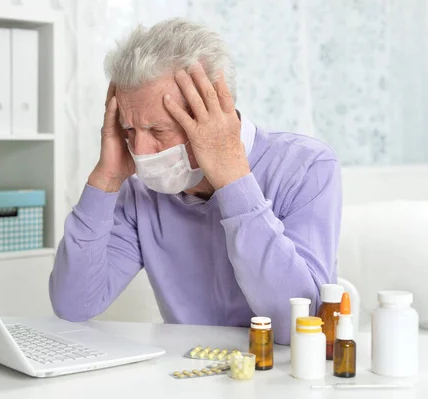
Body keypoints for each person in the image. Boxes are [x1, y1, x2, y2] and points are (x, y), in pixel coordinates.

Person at [49, 17, 341, 345]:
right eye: (130, 130)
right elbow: (73, 305)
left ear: (215, 112)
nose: (141, 151)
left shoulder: (306, 167)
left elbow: (298, 326)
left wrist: (233, 180)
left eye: (157, 130)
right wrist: (106, 179)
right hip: (185, 374)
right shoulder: (140, 191)